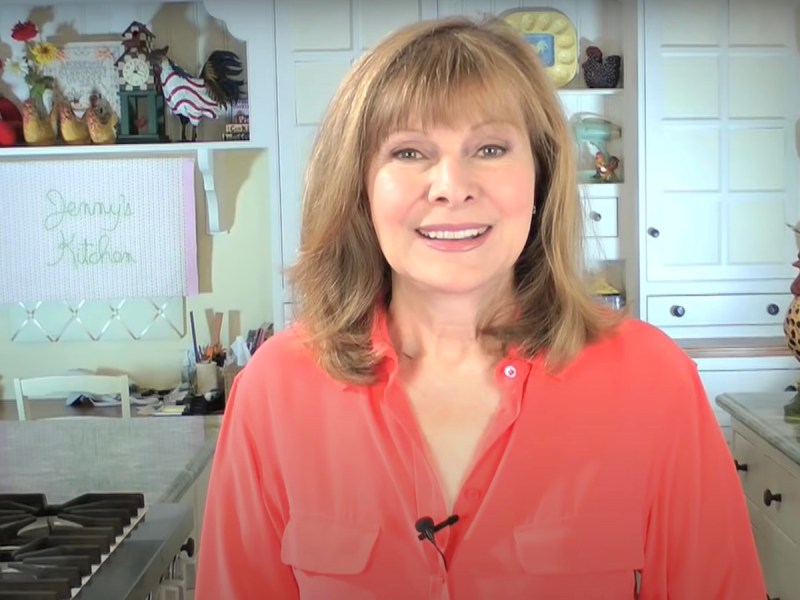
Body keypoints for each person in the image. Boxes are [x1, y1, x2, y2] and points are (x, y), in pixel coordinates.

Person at [195, 15, 766, 600]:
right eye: (409, 151)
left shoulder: (654, 383)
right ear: (359, 188)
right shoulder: (273, 390)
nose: (451, 186)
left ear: (541, 177)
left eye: (490, 148)